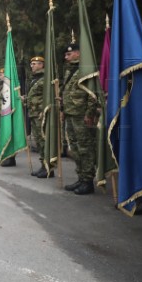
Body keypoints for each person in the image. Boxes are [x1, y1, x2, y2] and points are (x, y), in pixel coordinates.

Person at [61, 43, 98, 195]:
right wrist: (63, 109)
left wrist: (89, 113)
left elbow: (92, 94)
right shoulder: (70, 70)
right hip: (70, 113)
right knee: (75, 147)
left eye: (69, 54)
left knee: (85, 148)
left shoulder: (86, 69)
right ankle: (81, 177)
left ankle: (88, 181)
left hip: (81, 115)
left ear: (77, 53)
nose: (66, 57)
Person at [27, 56, 51, 177]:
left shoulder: (45, 78)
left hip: (41, 115)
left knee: (43, 141)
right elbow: (34, 96)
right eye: (32, 64)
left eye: (35, 64)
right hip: (33, 114)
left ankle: (48, 168)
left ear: (42, 65)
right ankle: (43, 166)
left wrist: (44, 110)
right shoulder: (34, 79)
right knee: (39, 141)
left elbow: (49, 96)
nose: (32, 66)